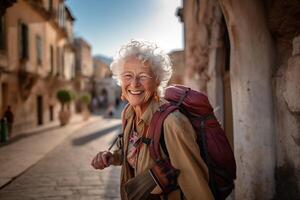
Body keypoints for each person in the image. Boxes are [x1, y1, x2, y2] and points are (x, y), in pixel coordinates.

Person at [91, 40, 213, 200]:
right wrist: (112, 156)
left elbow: (197, 188)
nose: (134, 84)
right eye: (128, 75)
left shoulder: (172, 122)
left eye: (143, 76)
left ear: (157, 80)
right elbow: (131, 150)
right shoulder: (129, 113)